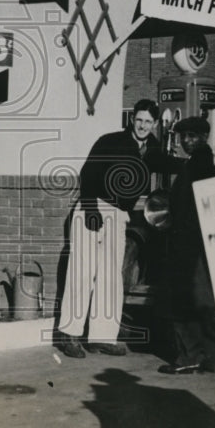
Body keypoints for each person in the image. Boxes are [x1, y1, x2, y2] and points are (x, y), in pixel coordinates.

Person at [54, 98, 172, 358]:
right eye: (139, 120)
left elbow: (168, 165)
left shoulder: (152, 149)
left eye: (148, 122)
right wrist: (90, 210)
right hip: (94, 207)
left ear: (154, 124)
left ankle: (102, 337)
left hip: (119, 214)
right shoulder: (111, 141)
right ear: (132, 119)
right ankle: (69, 336)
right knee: (82, 273)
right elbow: (88, 174)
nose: (142, 125)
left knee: (110, 277)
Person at [157, 115, 215, 375]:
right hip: (196, 244)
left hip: (189, 245)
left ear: (203, 138)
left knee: (183, 300)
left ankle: (189, 356)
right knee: (203, 301)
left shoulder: (200, 164)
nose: (186, 141)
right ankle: (212, 357)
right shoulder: (201, 162)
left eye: (192, 136)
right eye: (182, 136)